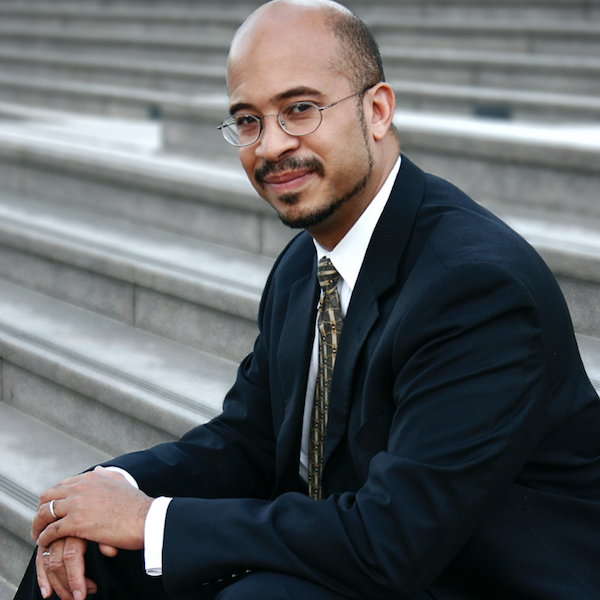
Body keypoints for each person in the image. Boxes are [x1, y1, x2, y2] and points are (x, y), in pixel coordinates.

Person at [14, 0, 600, 599]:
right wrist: (105, 489)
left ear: (376, 111)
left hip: (476, 575)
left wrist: (150, 520)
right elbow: (250, 441)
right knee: (77, 564)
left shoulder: (475, 287)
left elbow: (392, 540)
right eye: (247, 120)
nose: (269, 147)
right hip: (364, 547)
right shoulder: (308, 262)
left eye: (299, 109)